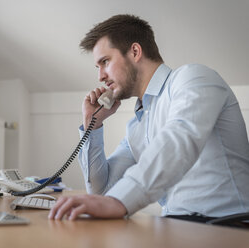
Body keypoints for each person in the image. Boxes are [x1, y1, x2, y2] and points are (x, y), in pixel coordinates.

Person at [48, 14, 249, 221]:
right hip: (176, 225)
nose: (100, 76)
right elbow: (102, 193)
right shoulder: (138, 126)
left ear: (135, 52)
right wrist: (93, 125)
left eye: (105, 62)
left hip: (226, 224)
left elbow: (178, 140)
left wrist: (119, 201)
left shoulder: (193, 77)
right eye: (98, 67)